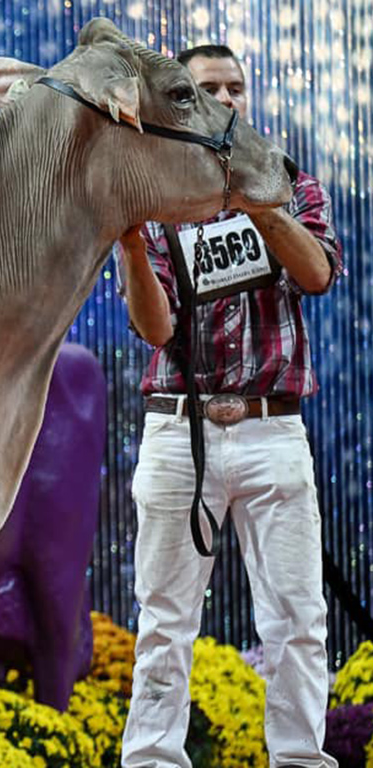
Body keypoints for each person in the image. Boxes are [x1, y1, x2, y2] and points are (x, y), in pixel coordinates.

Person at [116, 44, 344, 768]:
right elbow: (155, 329)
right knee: (164, 621)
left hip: (273, 427)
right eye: (206, 89)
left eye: (235, 86)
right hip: (179, 429)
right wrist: (127, 238)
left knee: (299, 621)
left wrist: (256, 201)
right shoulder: (156, 206)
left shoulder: (292, 181)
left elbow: (316, 273)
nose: (226, 98)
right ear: (182, 106)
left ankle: (300, 759)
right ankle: (152, 760)